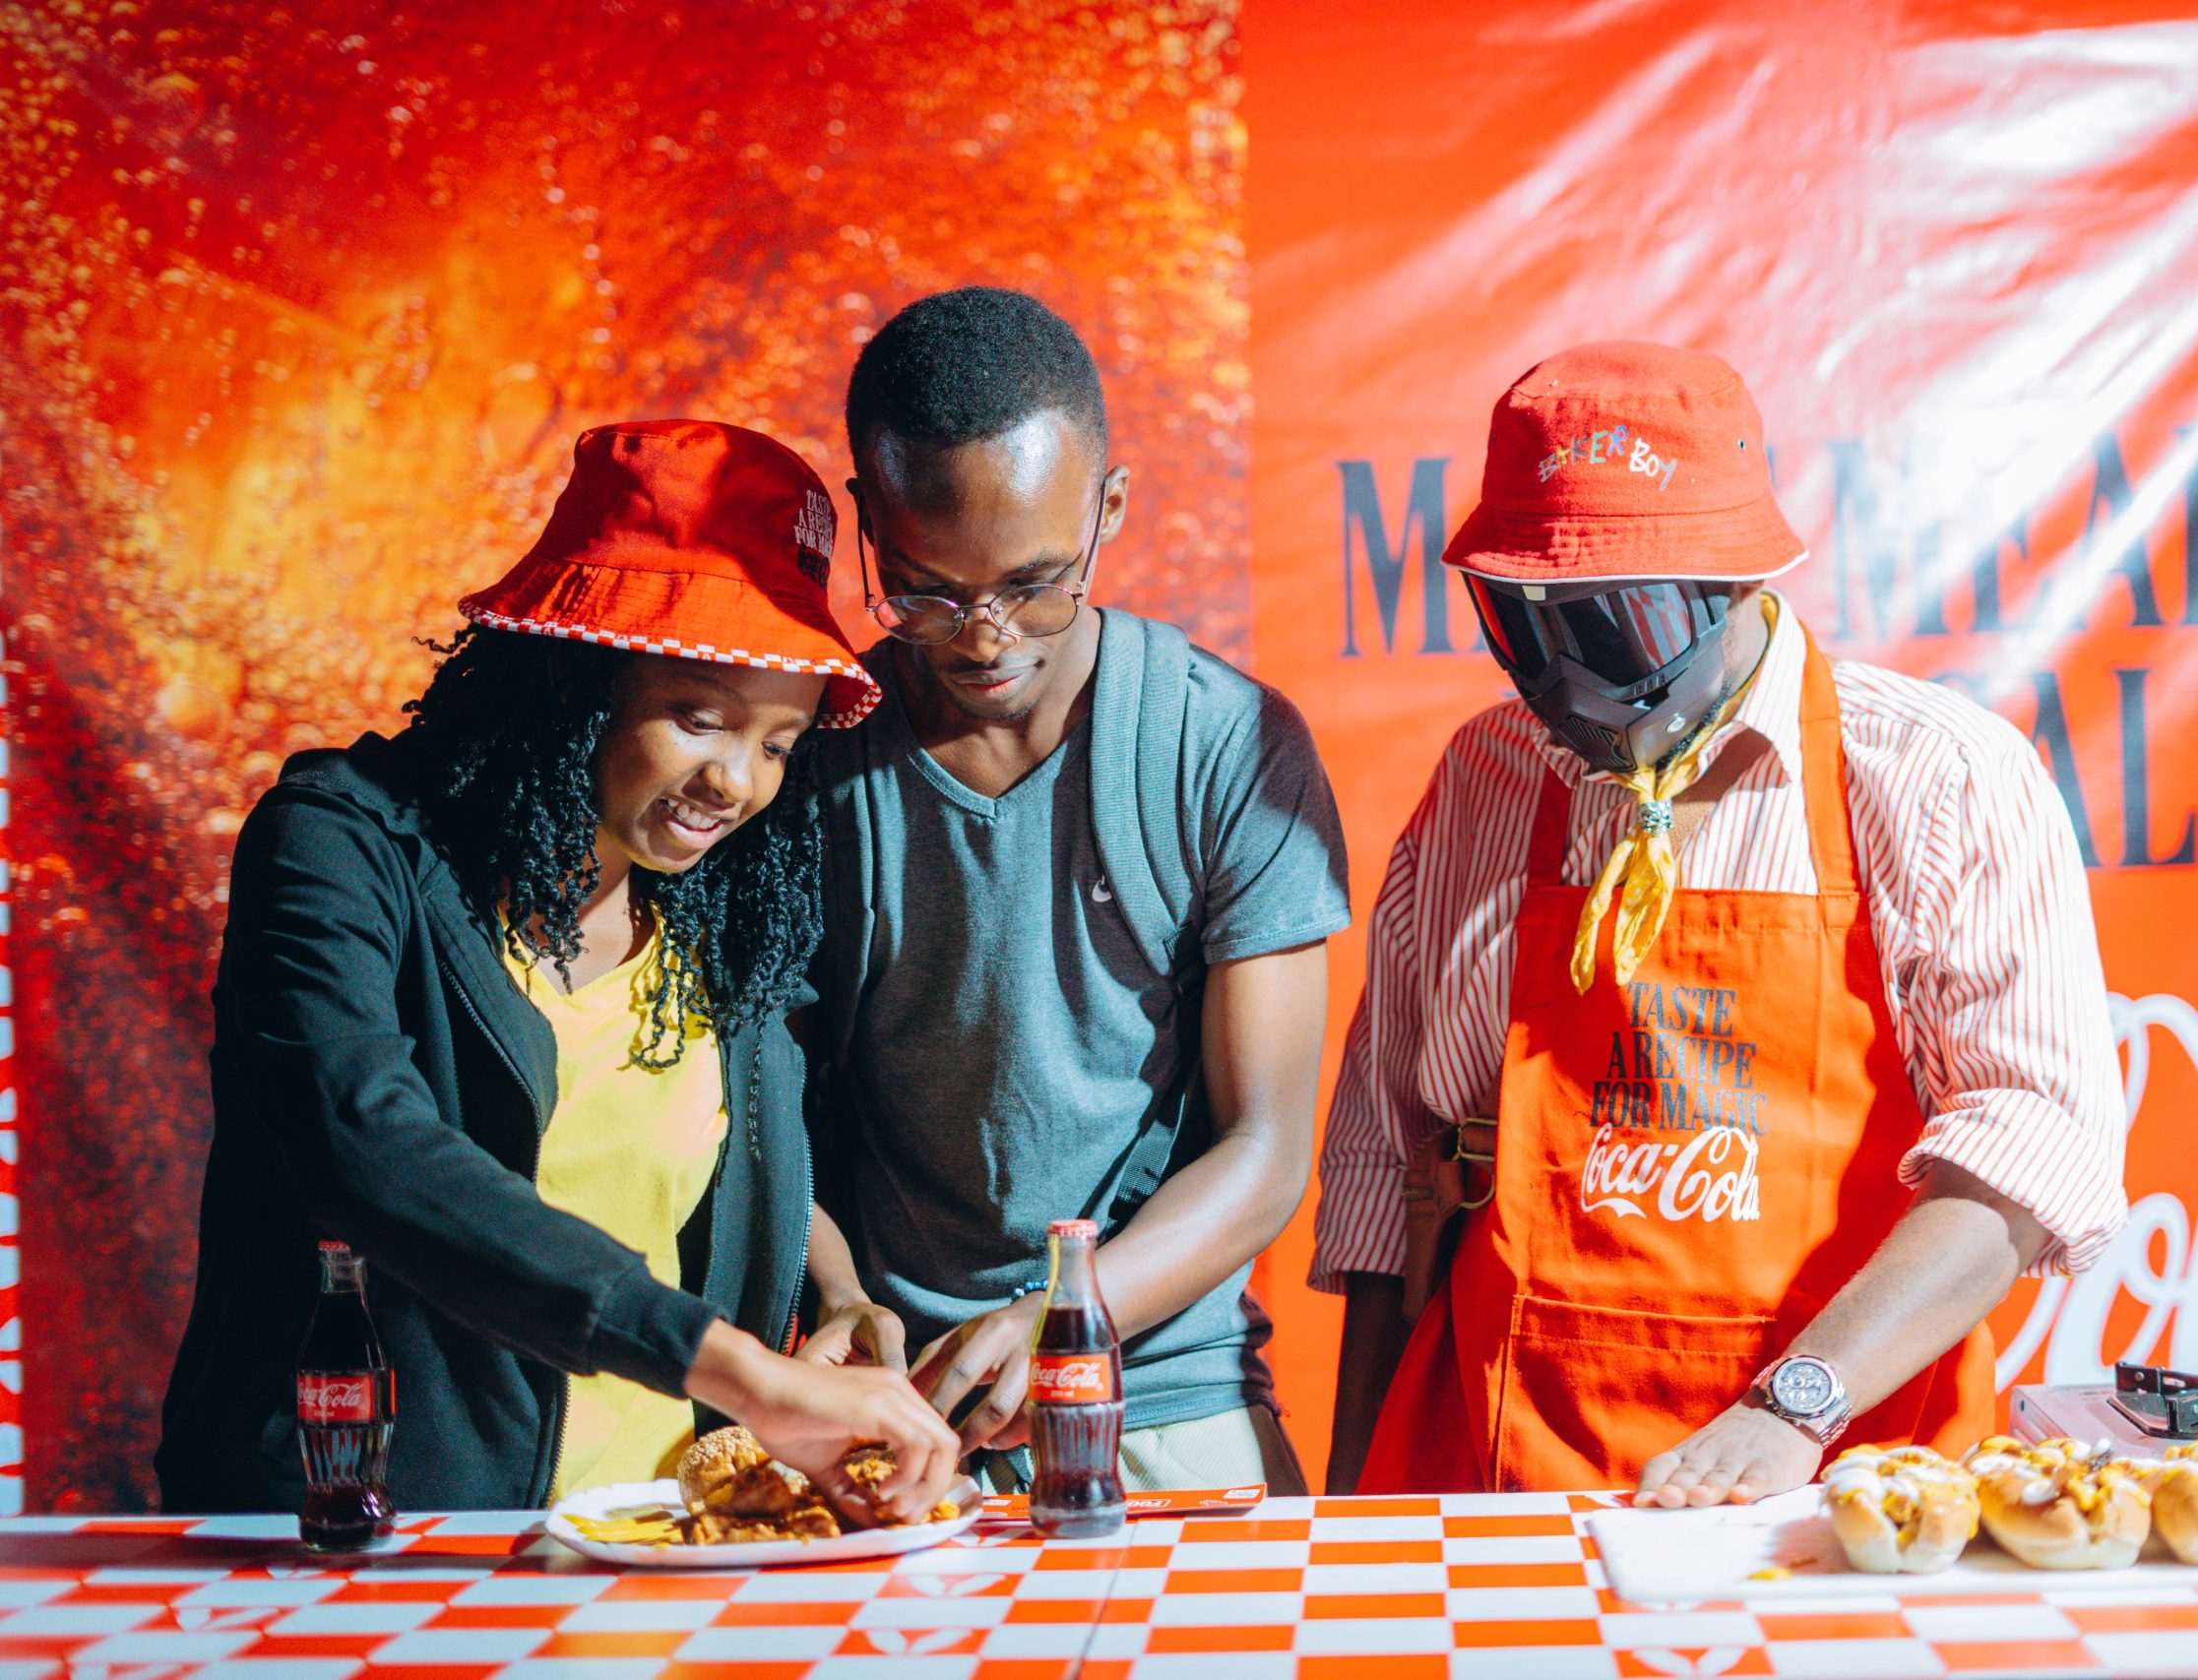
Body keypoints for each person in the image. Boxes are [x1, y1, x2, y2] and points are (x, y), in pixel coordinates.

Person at [1311, 344, 2129, 1500]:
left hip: (1843, 1487)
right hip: (1508, 1478)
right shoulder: (1489, 776)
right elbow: (1391, 1163)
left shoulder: (1936, 779)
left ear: (1736, 585)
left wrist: (1792, 1408)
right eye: (1518, 624)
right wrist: (1350, 1506)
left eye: (1609, 630)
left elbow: (2029, 1157)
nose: (1558, 684)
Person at [159, 420, 960, 1518]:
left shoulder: (711, 917)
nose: (735, 782)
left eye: (777, 743)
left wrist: (834, 1292)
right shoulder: (340, 847)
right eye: (697, 716)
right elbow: (368, 1150)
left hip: (649, 1539)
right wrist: (737, 1368)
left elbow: (720, 1157)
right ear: (574, 683)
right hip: (370, 1540)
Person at [801, 287, 1349, 1494]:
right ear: (868, 523)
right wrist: (837, 1300)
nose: (986, 636)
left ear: (1109, 507)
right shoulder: (805, 761)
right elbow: (754, 1113)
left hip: (1160, 1380)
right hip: (899, 1417)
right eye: (926, 590)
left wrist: (1068, 1311)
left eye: (1036, 584)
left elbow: (1264, 1150)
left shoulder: (1226, 746)